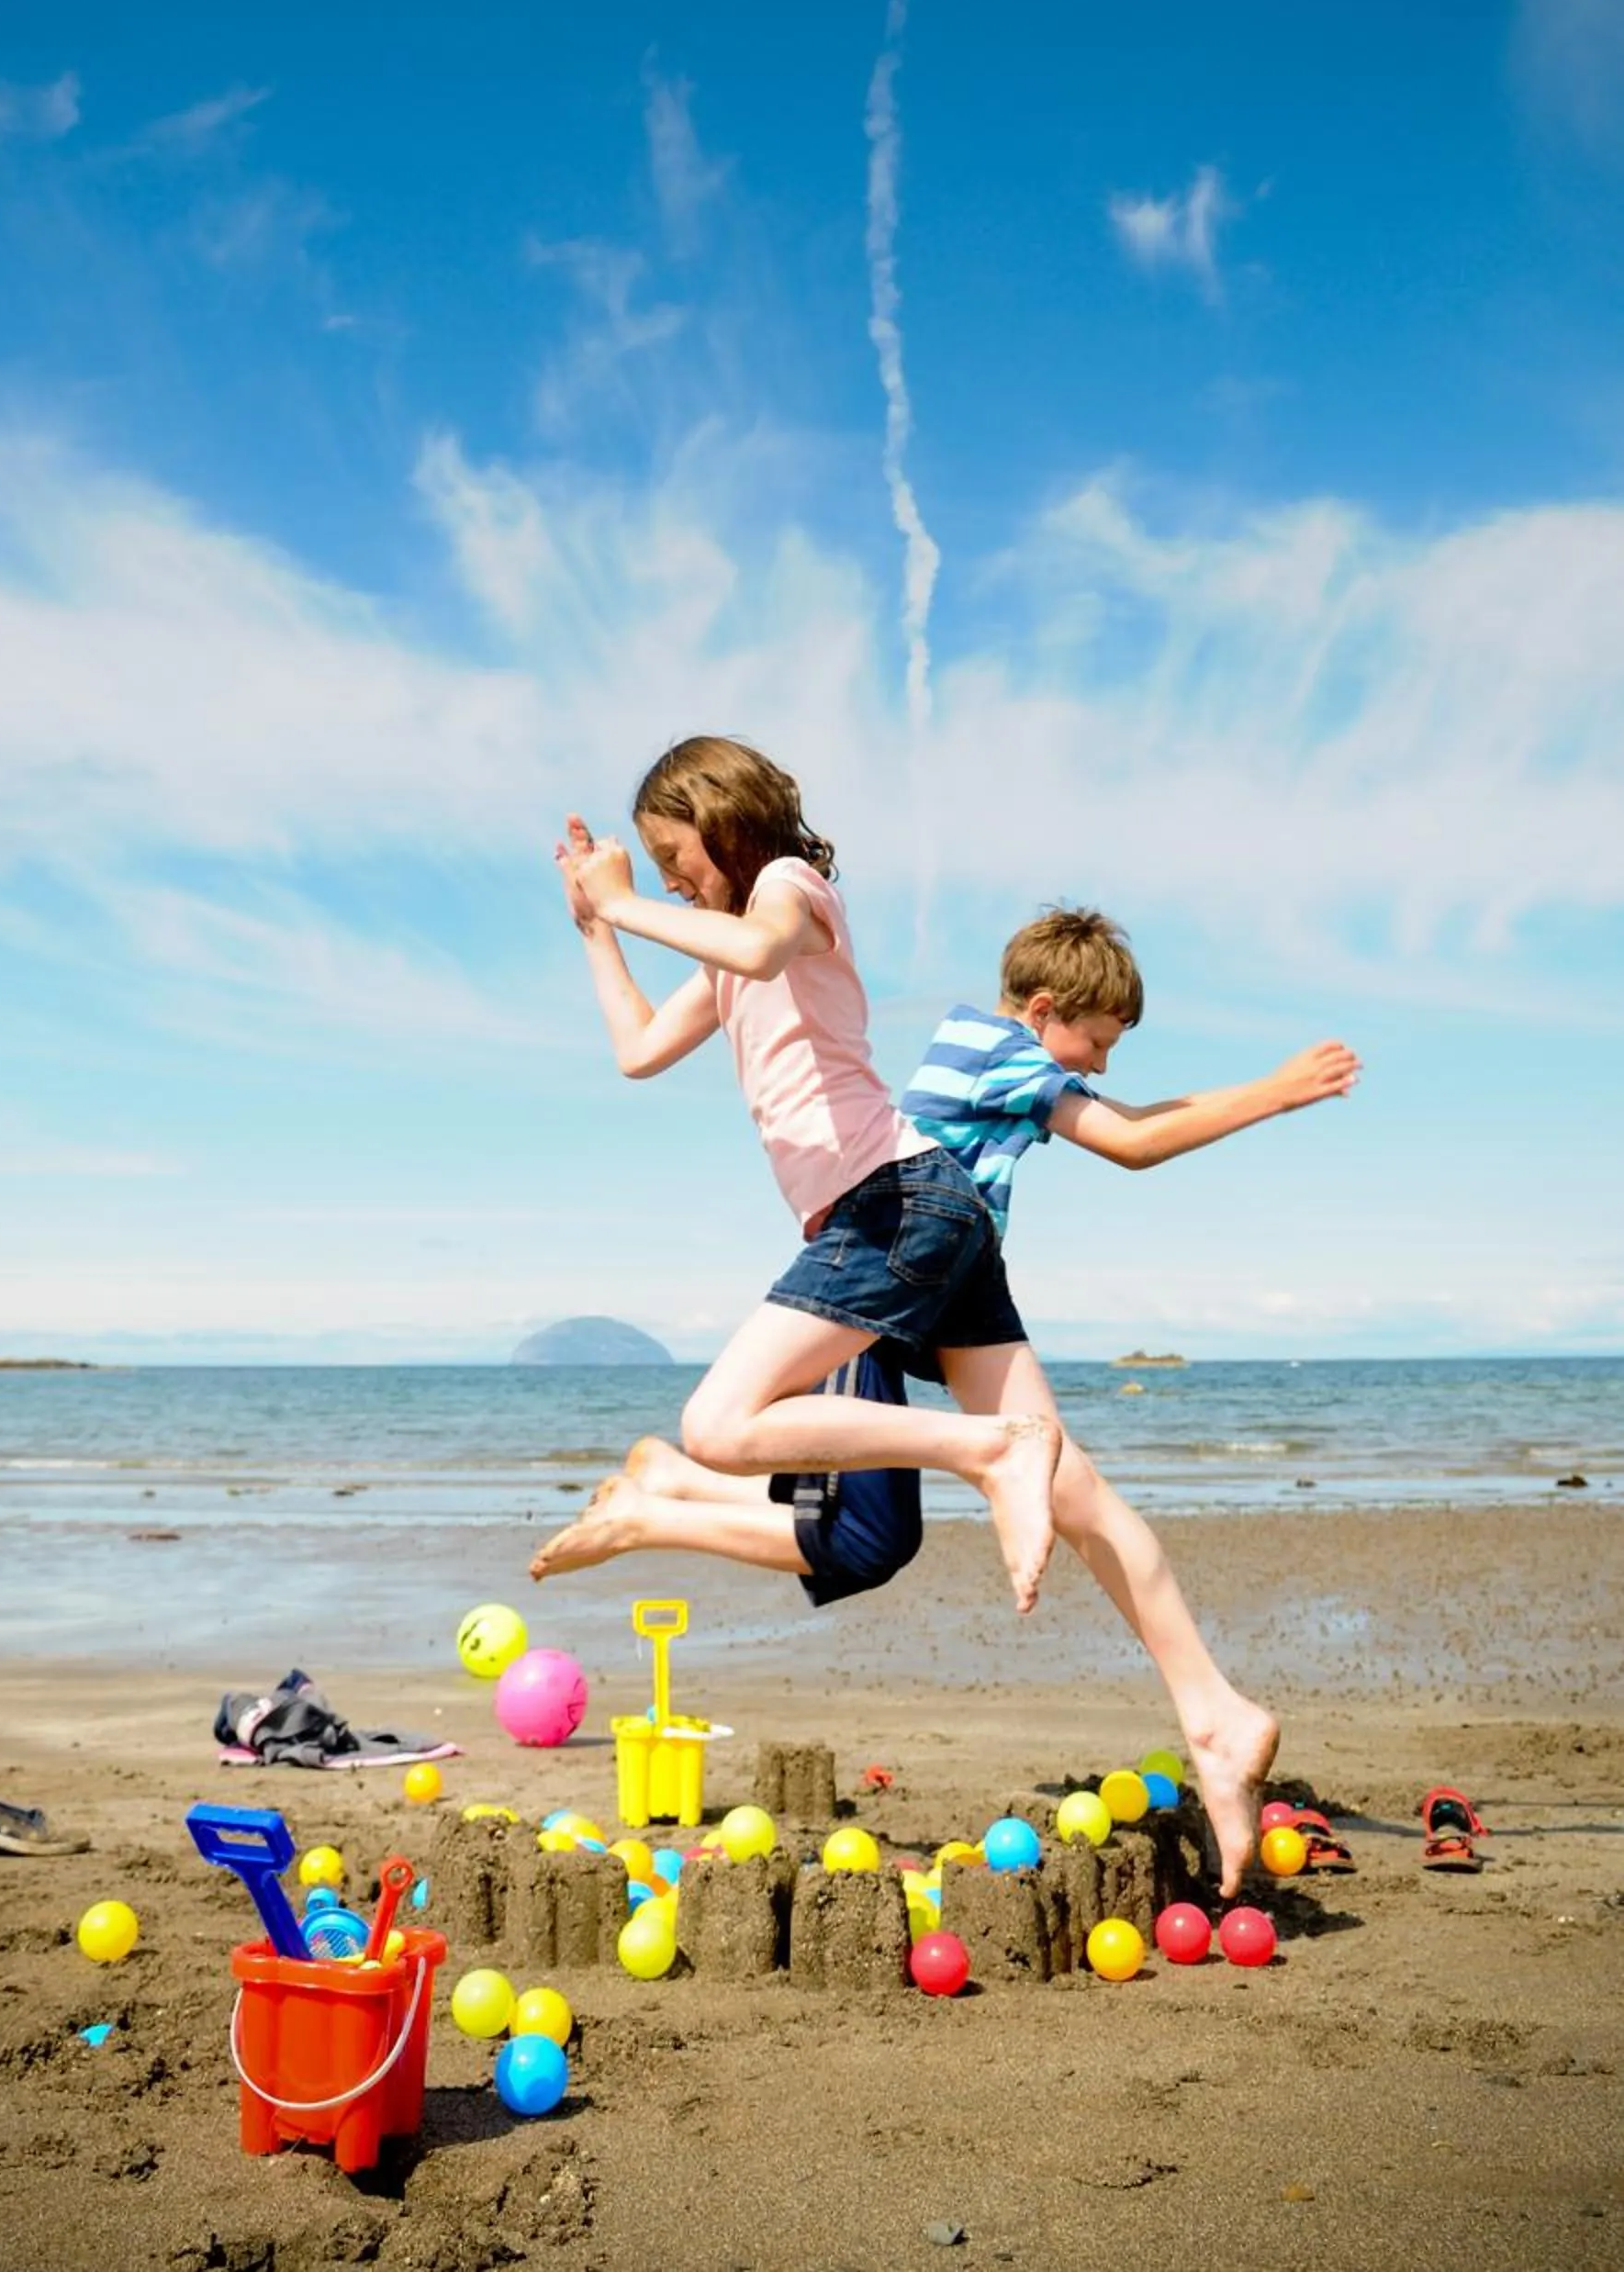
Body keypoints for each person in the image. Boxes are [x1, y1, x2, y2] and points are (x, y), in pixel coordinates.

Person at [537, 739, 1359, 1890]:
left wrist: (625, 900)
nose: (671, 878)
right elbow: (634, 1053)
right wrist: (597, 925)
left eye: (678, 856)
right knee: (1074, 1495)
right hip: (926, 1216)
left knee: (721, 1425)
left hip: (889, 1208)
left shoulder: (789, 891)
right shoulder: (724, 953)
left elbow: (759, 940)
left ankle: (982, 1451)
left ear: (722, 823)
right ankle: (1216, 1716)